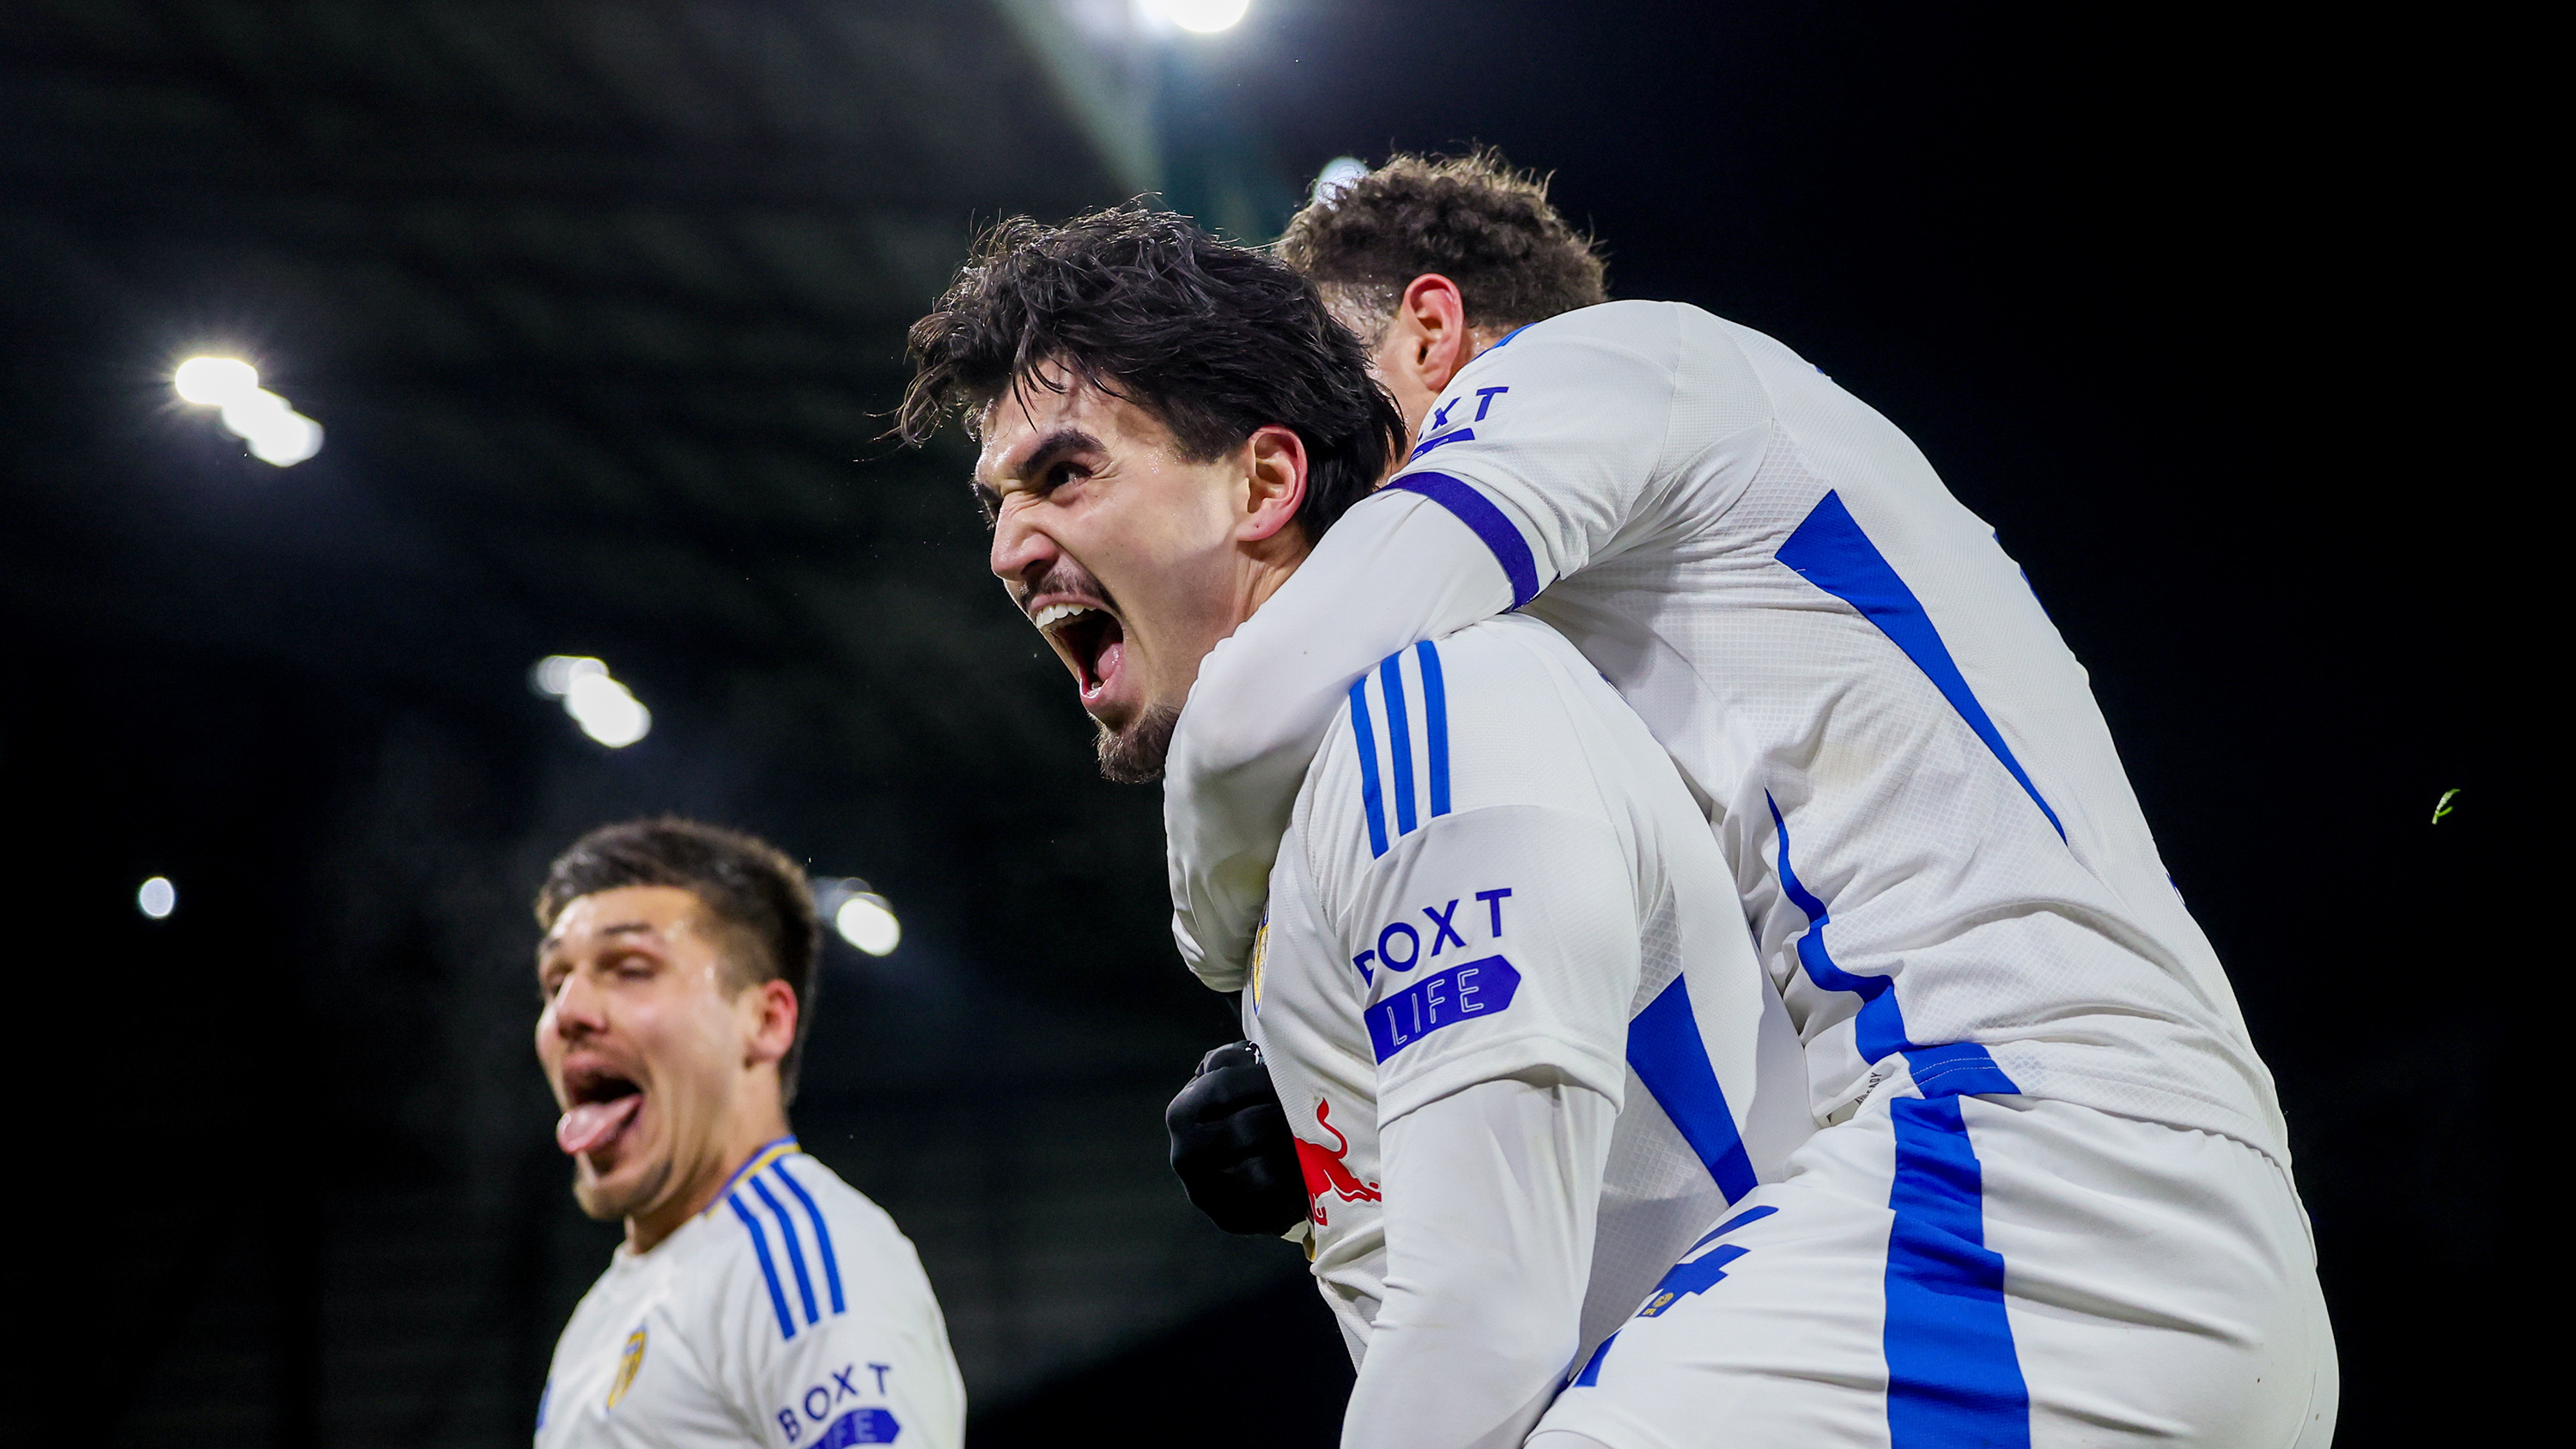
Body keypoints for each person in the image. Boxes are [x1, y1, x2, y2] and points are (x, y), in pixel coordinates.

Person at [1159, 152, 2336, 1446]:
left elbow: (1251, 713)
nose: (1327, 452)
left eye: (1334, 386)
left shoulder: (1601, 363)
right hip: (2093, 1205)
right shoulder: (1669, 608)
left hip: (2023, 1171)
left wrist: (1237, 947)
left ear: (1433, 333)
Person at [897, 210, 1814, 1449]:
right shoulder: (1333, 786)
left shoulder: (1431, 718)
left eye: (1066, 473)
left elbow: (1481, 1320)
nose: (1009, 549)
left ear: (1267, 483)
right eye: (998, 499)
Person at [532, 817, 963, 1449]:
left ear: (765, 1020)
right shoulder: (598, 1318)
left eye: (628, 967)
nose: (567, 1011)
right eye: (554, 980)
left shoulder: (806, 1257)